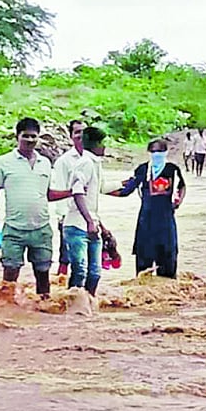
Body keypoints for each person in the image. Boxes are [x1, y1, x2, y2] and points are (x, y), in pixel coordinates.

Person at [0, 118, 72, 299]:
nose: (29, 140)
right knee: (9, 277)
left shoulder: (45, 163)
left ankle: (42, 313)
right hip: (13, 230)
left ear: (38, 138)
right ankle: (7, 312)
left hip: (41, 229)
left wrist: (73, 192)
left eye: (33, 137)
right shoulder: (3, 162)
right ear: (17, 137)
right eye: (25, 136)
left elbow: (48, 194)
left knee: (43, 275)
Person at [108, 138, 186, 278]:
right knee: (144, 267)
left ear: (166, 152)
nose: (157, 154)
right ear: (149, 152)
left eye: (160, 151)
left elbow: (182, 186)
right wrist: (102, 190)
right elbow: (126, 190)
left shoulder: (172, 170)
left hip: (166, 221)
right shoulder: (143, 170)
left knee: (168, 264)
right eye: (154, 151)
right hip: (146, 222)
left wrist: (178, 201)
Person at [64, 126, 106, 296]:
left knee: (95, 273)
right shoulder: (85, 163)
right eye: (103, 143)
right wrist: (89, 221)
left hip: (92, 224)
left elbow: (99, 189)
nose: (105, 147)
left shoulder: (95, 163)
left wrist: (126, 184)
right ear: (96, 144)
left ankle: (87, 306)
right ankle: (72, 307)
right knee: (80, 271)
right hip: (77, 226)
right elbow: (77, 191)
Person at [51, 120, 86, 276]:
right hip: (69, 216)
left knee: (84, 257)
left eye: (84, 131)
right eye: (77, 132)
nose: (81, 135)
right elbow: (59, 187)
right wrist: (63, 217)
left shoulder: (92, 158)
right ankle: (61, 286)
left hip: (87, 215)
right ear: (71, 136)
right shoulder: (64, 161)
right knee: (65, 257)